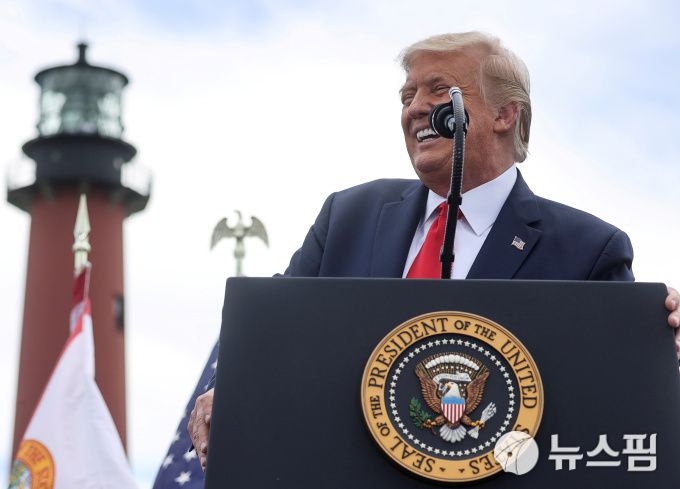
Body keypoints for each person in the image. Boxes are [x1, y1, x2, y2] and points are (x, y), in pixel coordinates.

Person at [188, 32, 680, 471]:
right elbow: (274, 329)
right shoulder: (348, 217)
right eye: (407, 96)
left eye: (439, 90)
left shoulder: (588, 249)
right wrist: (229, 386)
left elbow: (625, 396)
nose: (415, 108)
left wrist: (666, 349)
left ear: (505, 113)